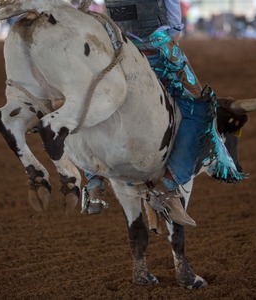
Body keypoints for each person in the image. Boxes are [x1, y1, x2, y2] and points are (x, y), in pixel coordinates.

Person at [82, 0, 244, 226]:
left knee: (84, 99)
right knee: (199, 107)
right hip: (152, 41)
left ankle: (93, 180)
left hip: (113, 42)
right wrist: (175, 31)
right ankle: (168, 186)